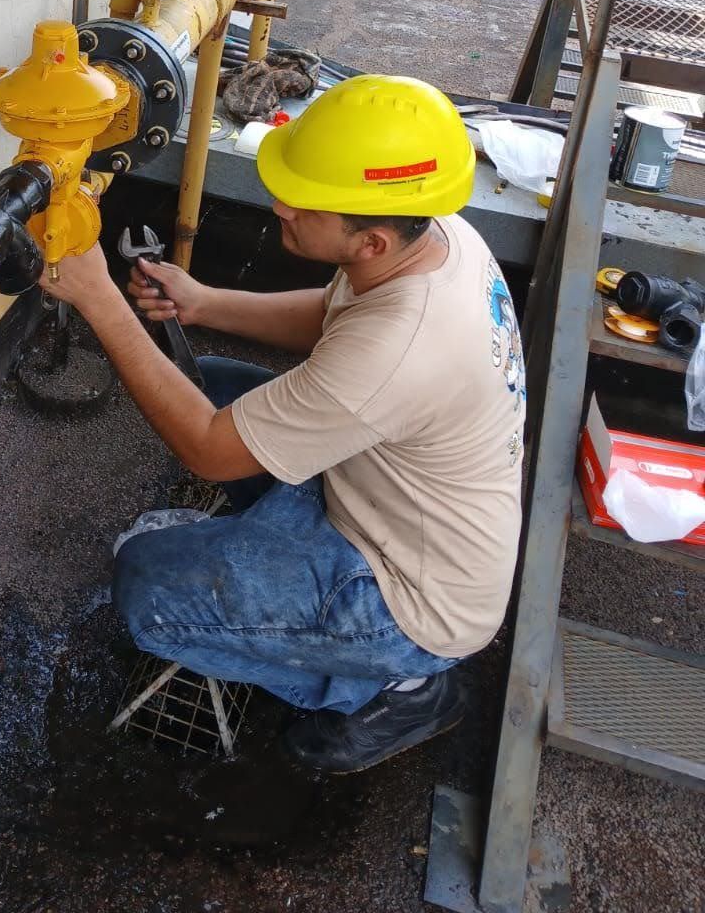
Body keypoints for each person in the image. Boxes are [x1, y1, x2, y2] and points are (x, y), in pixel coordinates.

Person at [39, 74, 525, 773]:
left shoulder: (404, 345)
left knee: (145, 591)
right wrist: (203, 303)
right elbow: (337, 317)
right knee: (213, 384)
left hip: (407, 600)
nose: (280, 205)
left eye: (305, 203)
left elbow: (209, 450)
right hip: (388, 503)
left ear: (373, 243)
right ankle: (295, 590)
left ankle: (397, 685)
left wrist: (98, 299)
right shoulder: (431, 235)